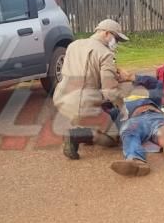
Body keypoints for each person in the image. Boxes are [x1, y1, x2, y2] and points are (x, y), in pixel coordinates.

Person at [53, 19, 131, 160]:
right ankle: (76, 135)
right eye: (116, 38)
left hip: (61, 99)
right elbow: (110, 91)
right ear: (107, 33)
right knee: (113, 139)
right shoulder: (106, 54)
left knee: (90, 115)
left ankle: (80, 128)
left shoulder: (73, 45)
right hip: (82, 104)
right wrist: (123, 107)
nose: (117, 42)